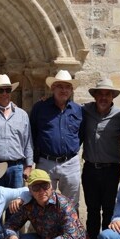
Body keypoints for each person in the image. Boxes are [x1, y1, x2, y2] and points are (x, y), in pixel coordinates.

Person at [80, 79, 120, 239]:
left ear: (112, 97)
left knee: (108, 209)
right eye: (100, 94)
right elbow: (66, 108)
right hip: (90, 168)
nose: (104, 97)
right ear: (95, 96)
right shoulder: (85, 111)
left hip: (111, 169)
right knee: (92, 209)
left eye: (107, 94)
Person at [30, 70, 83, 206]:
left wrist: (71, 148)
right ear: (53, 88)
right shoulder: (40, 108)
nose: (63, 90)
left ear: (71, 90)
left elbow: (81, 134)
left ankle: (70, 228)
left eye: (67, 87)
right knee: (44, 201)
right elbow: (32, 133)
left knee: (71, 204)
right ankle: (47, 228)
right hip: (46, 162)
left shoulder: (78, 110)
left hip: (70, 162)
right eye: (60, 86)